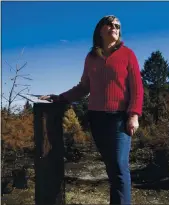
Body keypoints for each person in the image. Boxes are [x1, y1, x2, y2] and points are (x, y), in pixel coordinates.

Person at [39, 15, 144, 205]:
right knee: (111, 168)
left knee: (120, 168)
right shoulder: (91, 57)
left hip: (119, 119)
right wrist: (61, 97)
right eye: (110, 24)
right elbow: (83, 87)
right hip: (96, 118)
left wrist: (134, 115)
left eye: (117, 26)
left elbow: (137, 88)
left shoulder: (128, 54)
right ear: (100, 30)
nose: (114, 27)